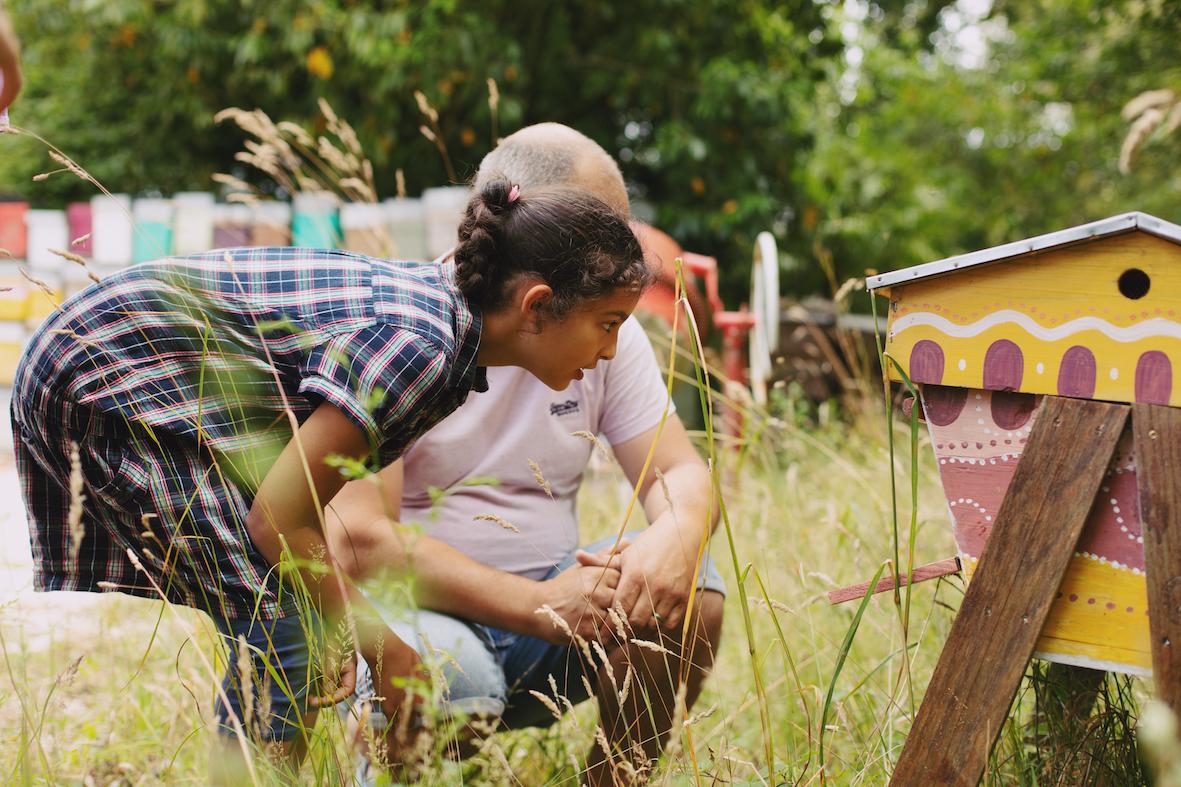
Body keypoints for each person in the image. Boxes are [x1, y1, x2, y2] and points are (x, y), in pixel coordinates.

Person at [11, 178, 650, 775]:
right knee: (287, 615)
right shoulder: (419, 346)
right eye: (609, 324)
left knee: (293, 612)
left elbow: (301, 505)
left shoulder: (450, 331)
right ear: (536, 306)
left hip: (125, 367)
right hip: (105, 378)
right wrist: (379, 644)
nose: (611, 352)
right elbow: (280, 517)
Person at [326, 124, 725, 785]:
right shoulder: (405, 335)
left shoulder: (605, 328)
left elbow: (677, 469)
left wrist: (679, 532)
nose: (623, 261)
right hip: (424, 623)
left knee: (695, 589)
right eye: (601, 237)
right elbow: (363, 539)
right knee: (459, 683)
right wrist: (540, 603)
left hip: (551, 616)